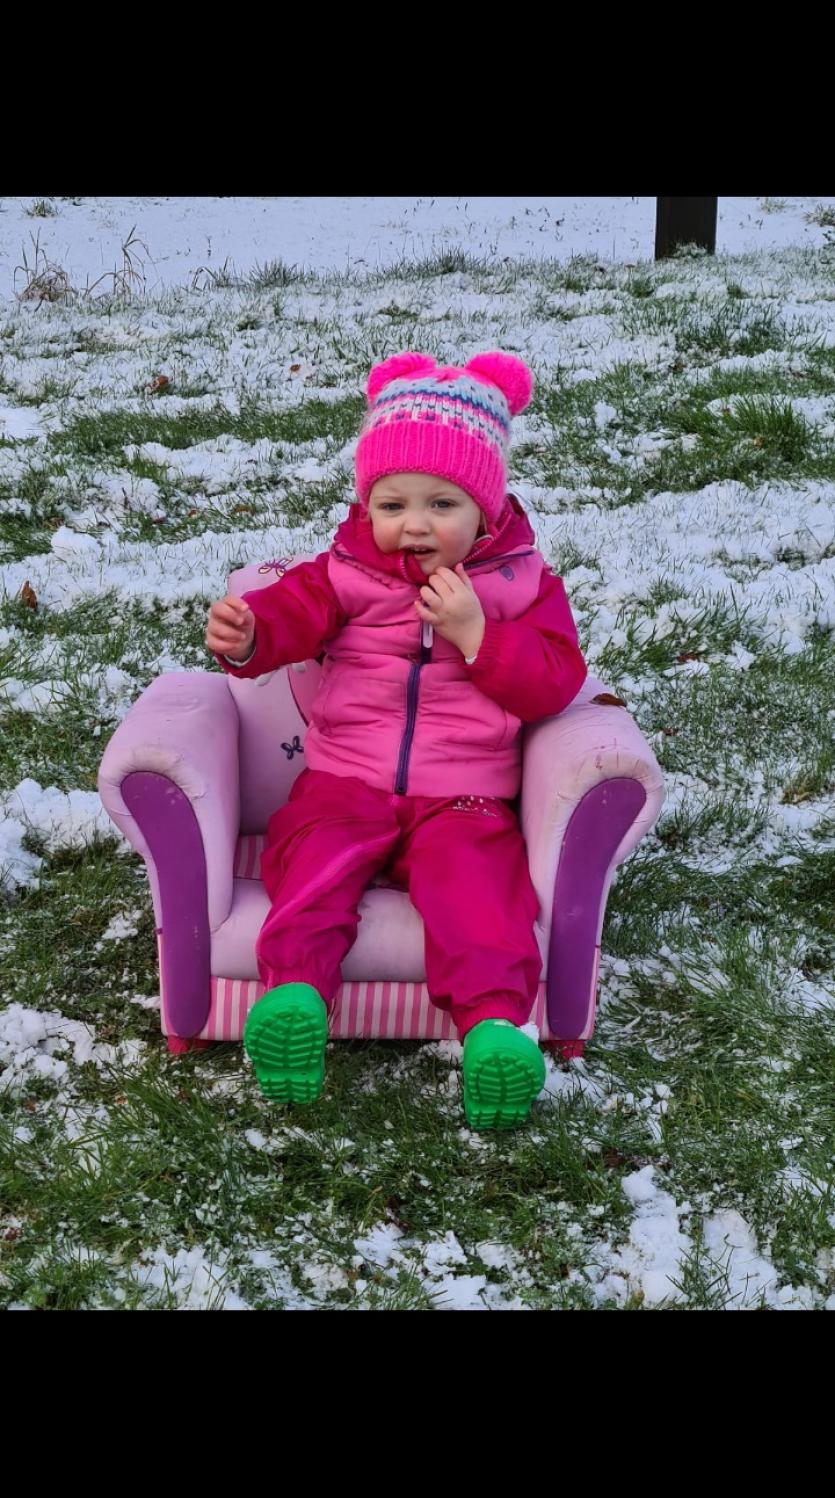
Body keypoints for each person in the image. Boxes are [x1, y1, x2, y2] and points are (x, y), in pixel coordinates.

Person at [206, 350, 587, 1128]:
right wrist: (249, 635)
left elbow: (554, 680)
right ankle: (295, 1006)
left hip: (466, 796)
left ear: (485, 510)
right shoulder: (346, 571)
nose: (412, 524)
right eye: (391, 502)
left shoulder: (519, 586)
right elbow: (293, 616)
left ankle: (493, 1036)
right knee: (311, 868)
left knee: (480, 899)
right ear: (366, 504)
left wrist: (478, 636)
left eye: (441, 503)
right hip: (345, 779)